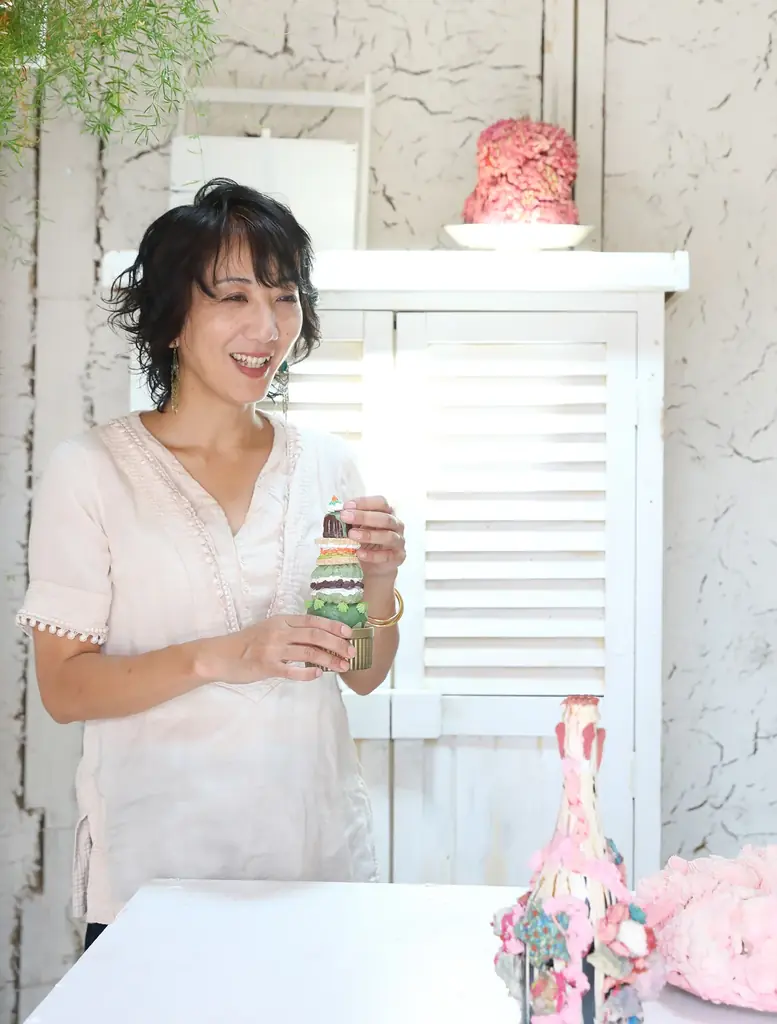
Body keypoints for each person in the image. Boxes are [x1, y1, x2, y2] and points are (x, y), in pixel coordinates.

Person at [16, 178, 405, 949]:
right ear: (171, 318)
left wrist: (380, 582)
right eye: (234, 297)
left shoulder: (327, 465)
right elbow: (65, 688)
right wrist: (229, 654)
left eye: (285, 297)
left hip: (313, 867)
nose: (267, 325)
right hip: (152, 881)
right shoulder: (91, 470)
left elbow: (359, 672)